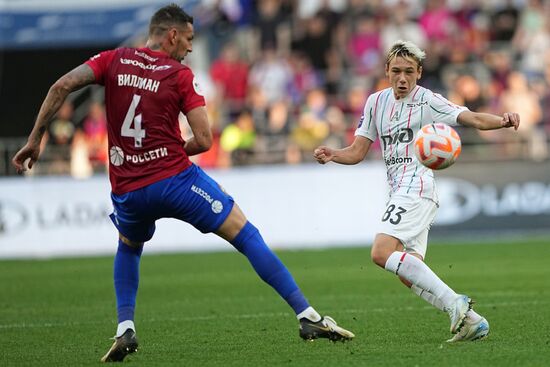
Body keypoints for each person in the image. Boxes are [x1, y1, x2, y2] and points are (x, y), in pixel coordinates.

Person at [12, 4, 354, 363]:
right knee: (246, 233)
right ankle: (307, 316)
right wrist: (173, 151)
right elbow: (205, 140)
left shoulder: (113, 60)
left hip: (128, 190)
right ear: (172, 35)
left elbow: (61, 85)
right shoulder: (179, 74)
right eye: (189, 39)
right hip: (175, 181)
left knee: (129, 247)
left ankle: (125, 327)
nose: (190, 47)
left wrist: (36, 139)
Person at [314, 40, 520, 343]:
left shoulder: (428, 101)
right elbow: (357, 151)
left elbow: (472, 118)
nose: (402, 78)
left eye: (409, 72)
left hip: (418, 186)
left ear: (419, 73)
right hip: (399, 189)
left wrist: (502, 121)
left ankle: (456, 304)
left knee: (381, 252)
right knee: (407, 270)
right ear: (386, 71)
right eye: (396, 71)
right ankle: (473, 322)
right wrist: (333, 154)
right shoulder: (375, 103)